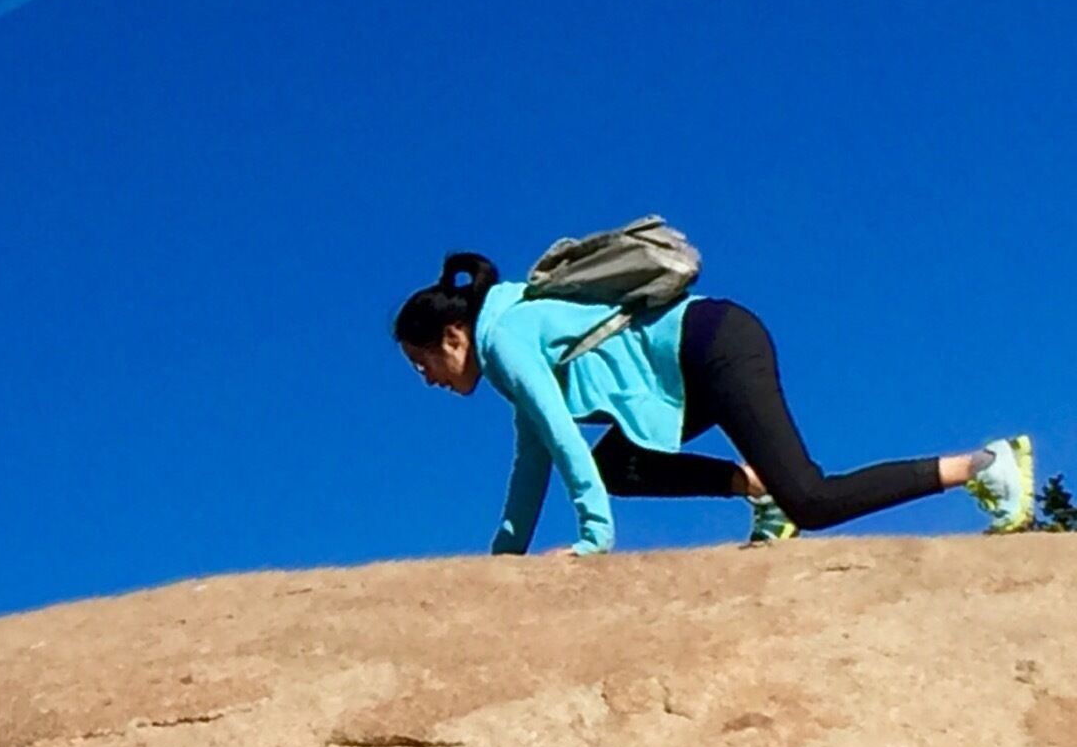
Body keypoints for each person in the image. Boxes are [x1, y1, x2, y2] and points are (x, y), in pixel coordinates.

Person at [393, 252, 1035, 556]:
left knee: (811, 498)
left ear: (454, 337)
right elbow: (530, 462)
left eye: (424, 363)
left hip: (714, 348)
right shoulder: (511, 338)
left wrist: (594, 538)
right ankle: (757, 492)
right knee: (620, 466)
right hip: (685, 374)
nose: (428, 380)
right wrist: (502, 564)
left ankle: (984, 464)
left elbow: (562, 442)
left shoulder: (505, 339)